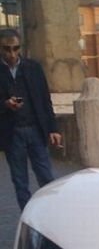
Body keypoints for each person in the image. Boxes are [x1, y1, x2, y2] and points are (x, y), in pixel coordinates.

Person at [0, 28, 62, 210]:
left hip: (35, 129)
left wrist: (54, 129)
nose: (11, 53)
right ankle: (29, 221)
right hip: (12, 134)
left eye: (15, 48)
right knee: (20, 183)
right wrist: (5, 104)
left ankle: (53, 215)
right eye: (6, 49)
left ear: (20, 47)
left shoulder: (33, 68)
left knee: (47, 177)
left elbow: (45, 99)